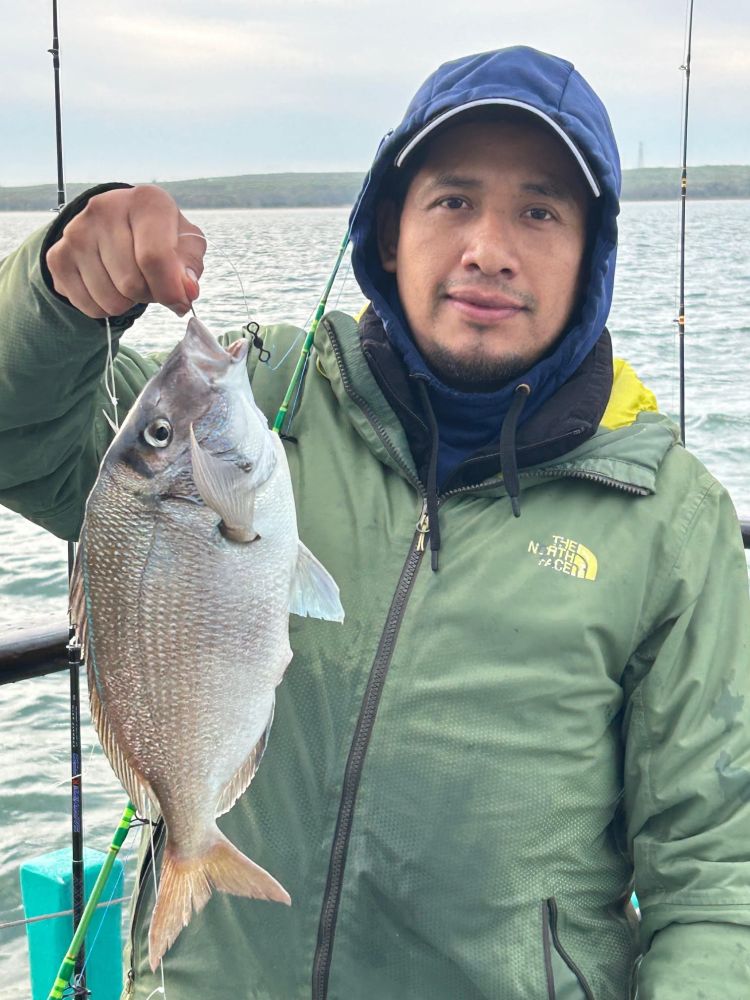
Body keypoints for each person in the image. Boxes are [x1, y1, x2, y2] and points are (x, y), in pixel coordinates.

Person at [1, 45, 749, 1000]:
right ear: (389, 230)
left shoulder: (671, 523)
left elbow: (717, 872)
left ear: (591, 254)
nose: (489, 246)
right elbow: (24, 435)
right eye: (451, 200)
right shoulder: (263, 404)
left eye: (540, 210)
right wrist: (59, 295)